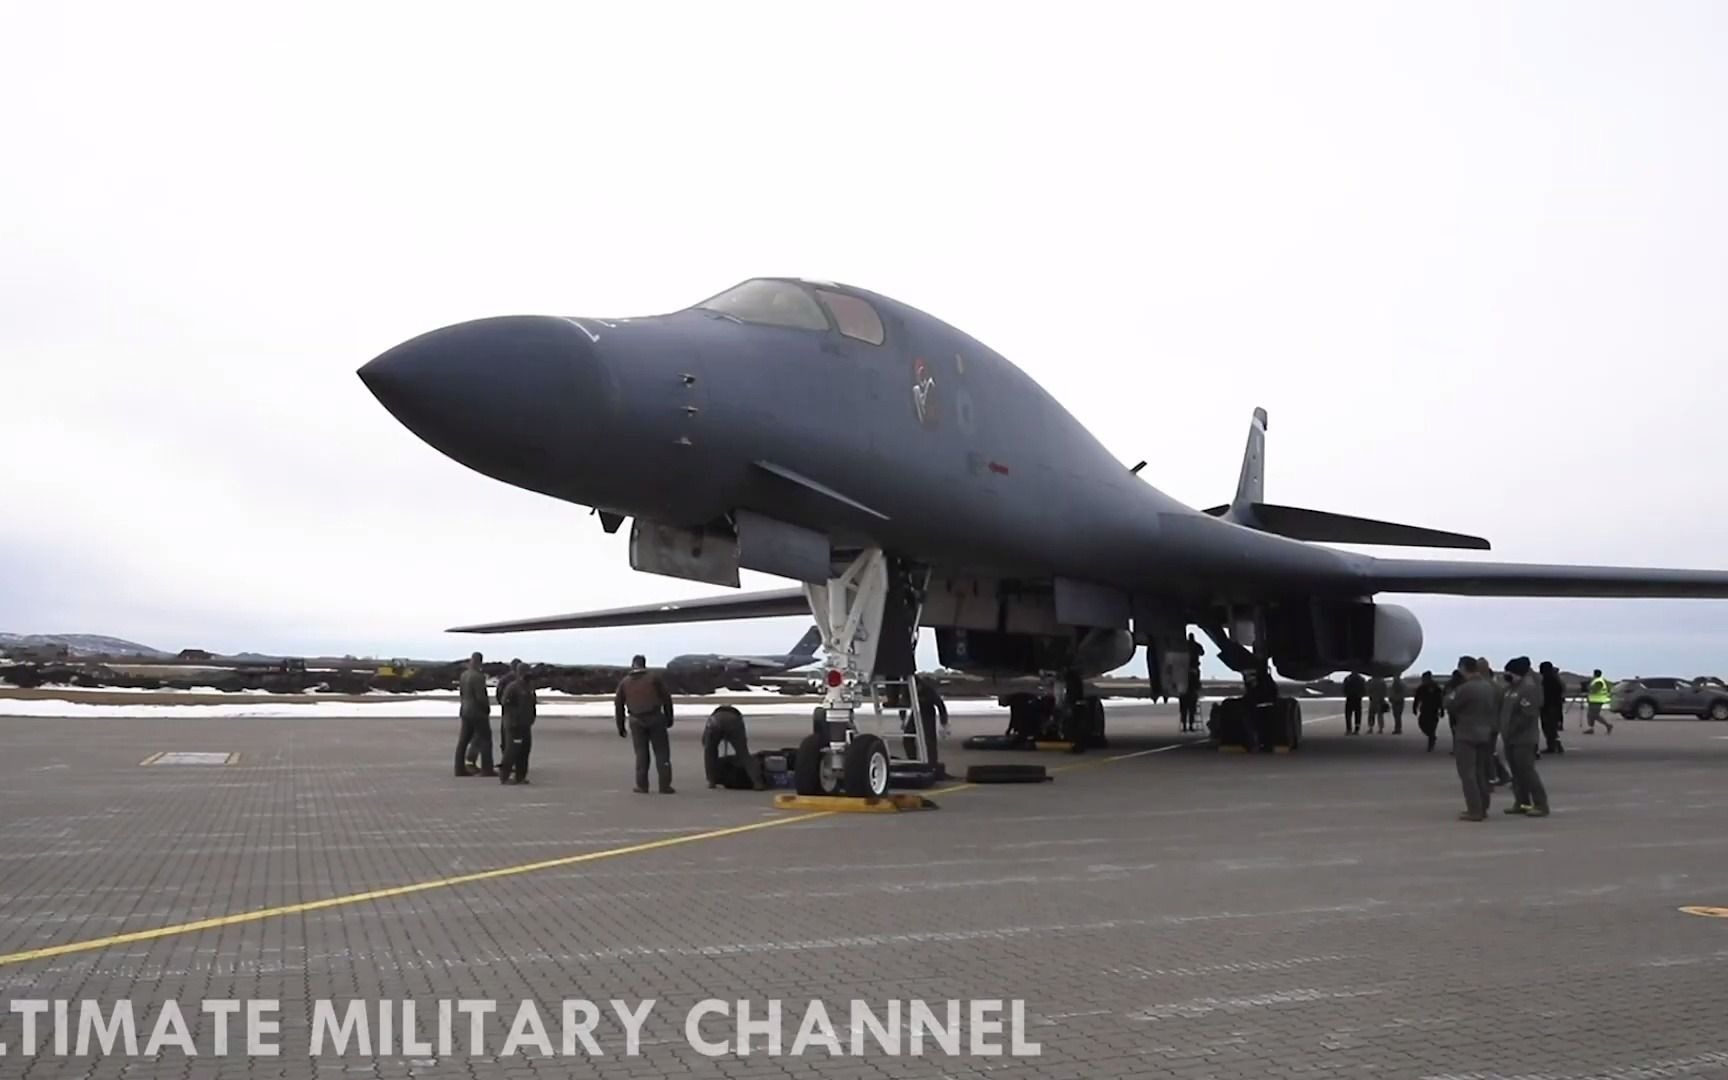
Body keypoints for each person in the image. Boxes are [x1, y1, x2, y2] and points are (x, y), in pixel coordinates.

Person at [1445, 656, 1499, 820]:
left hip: (1467, 734)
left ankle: (1474, 810)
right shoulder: (1488, 687)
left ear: (1463, 668)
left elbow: (1450, 704)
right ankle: (1483, 806)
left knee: (1467, 774)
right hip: (1485, 732)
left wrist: (1448, 697)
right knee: (1480, 772)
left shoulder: (1465, 688)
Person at [615, 655, 675, 794]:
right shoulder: (654, 678)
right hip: (655, 717)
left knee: (641, 753)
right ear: (644, 665)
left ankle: (642, 785)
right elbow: (667, 699)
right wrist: (669, 718)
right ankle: (664, 786)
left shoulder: (625, 682)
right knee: (661, 752)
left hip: (636, 720)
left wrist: (621, 726)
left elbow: (619, 705)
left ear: (632, 665)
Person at [1499, 657, 1551, 816]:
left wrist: (1513, 730)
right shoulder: (1510, 688)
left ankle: (1541, 804)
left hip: (1523, 738)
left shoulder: (1528, 689)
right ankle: (1521, 802)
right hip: (1510, 737)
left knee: (1527, 771)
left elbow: (1527, 715)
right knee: (1516, 772)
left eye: (1509, 672)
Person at [703, 705, 764, 790]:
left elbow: (705, 741)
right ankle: (757, 782)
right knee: (744, 755)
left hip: (715, 721)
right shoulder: (736, 716)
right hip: (734, 722)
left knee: (710, 753)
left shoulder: (714, 715)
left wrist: (709, 744)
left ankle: (711, 781)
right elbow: (742, 738)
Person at [455, 652, 496, 777]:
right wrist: (486, 708)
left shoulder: (464, 675)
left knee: (463, 740)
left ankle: (459, 768)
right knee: (485, 739)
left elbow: (462, 693)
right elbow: (480, 697)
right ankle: (487, 768)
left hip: (465, 710)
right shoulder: (478, 676)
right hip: (477, 712)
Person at [498, 667, 536, 784]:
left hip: (526, 725)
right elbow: (505, 704)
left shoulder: (529, 687)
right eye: (526, 674)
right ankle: (504, 776)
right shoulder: (512, 687)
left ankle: (520, 776)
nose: (528, 676)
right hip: (514, 725)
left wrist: (532, 717)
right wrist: (513, 721)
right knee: (512, 751)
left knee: (525, 751)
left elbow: (532, 703)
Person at [1479, 657, 1514, 786]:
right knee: (1489, 751)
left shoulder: (1483, 686)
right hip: (1494, 723)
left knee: (1486, 752)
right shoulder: (1497, 687)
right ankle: (1501, 775)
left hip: (1485, 724)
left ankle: (1492, 776)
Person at [1539, 661, 1566, 754]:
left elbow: (1545, 695)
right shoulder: (1556, 679)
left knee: (1548, 727)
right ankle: (1555, 744)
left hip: (1548, 706)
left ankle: (1552, 746)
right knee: (1552, 727)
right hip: (1556, 706)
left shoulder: (1547, 680)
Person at [1413, 671, 1445, 751]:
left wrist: (1442, 710)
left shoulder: (1436, 687)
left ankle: (1431, 741)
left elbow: (1440, 699)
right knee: (1422, 724)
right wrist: (1414, 707)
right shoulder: (1421, 688)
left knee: (1432, 727)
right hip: (1425, 709)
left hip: (1433, 710)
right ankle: (1431, 736)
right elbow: (1417, 699)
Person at [1179, 635, 1204, 732]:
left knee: (1184, 708)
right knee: (1191, 708)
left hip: (1185, 676)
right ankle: (1190, 726)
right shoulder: (1196, 646)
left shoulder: (1184, 645)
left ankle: (1185, 726)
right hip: (1192, 675)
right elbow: (1202, 653)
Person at [1586, 669, 1615, 734]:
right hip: (1593, 700)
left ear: (1595, 674)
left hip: (1597, 701)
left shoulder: (1599, 681)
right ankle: (1591, 728)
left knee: (1595, 715)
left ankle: (1608, 725)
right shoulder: (1597, 681)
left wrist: (1588, 688)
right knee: (1590, 715)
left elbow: (1595, 690)